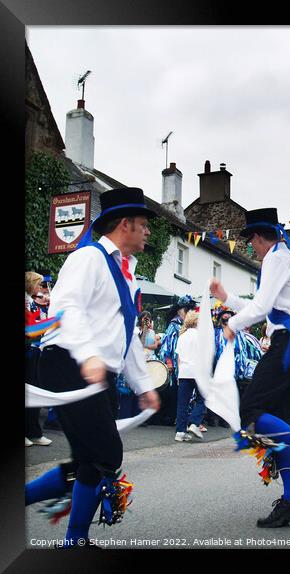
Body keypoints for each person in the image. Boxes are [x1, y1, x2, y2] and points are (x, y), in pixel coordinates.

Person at [24, 187, 161, 547]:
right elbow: (64, 309)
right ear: (126, 224)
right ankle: (74, 540)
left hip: (94, 371)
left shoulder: (126, 274)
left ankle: (75, 541)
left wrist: (143, 384)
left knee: (90, 458)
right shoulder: (89, 257)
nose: (148, 232)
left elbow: (128, 337)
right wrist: (89, 356)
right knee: (105, 454)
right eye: (144, 225)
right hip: (69, 363)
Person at [210, 207, 290, 528]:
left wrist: (232, 326)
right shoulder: (283, 257)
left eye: (251, 240)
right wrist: (227, 299)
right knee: (276, 424)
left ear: (258, 236)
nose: (251, 247)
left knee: (250, 415)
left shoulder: (275, 258)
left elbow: (263, 307)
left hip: (288, 347)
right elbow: (267, 308)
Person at [156, 294, 198, 425]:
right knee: (176, 393)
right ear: (181, 310)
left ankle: (184, 420)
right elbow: (166, 347)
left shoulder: (190, 327)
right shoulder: (174, 326)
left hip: (187, 365)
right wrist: (169, 362)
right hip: (176, 365)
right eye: (188, 309)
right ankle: (173, 418)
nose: (190, 312)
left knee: (185, 394)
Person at [25, 271, 53, 447]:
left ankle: (34, 432)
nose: (41, 288)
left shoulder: (31, 303)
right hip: (27, 350)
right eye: (39, 284)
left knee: (34, 392)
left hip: (34, 352)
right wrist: (56, 320)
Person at [174, 310, 207, 441]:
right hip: (198, 371)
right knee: (202, 399)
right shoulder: (202, 336)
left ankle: (180, 432)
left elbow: (179, 358)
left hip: (184, 371)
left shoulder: (182, 336)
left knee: (182, 403)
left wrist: (178, 374)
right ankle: (194, 423)